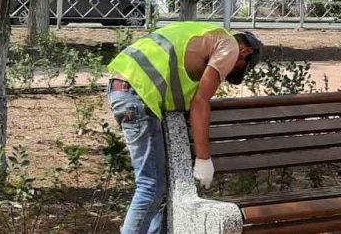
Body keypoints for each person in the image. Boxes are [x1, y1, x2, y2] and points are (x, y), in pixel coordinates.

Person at [106, 22, 262, 234]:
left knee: (159, 188)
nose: (229, 70)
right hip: (138, 95)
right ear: (246, 51)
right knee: (150, 188)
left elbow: (185, 91)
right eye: (240, 66)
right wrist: (204, 159)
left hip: (127, 89)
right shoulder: (229, 46)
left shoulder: (203, 36)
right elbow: (201, 102)